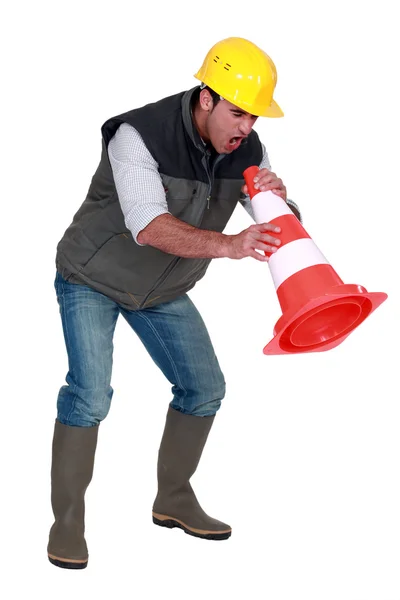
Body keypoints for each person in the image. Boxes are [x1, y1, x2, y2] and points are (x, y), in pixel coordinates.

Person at [47, 36, 302, 569]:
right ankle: (67, 521)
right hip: (92, 277)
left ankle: (174, 498)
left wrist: (278, 198)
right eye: (238, 112)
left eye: (255, 118)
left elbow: (274, 224)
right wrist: (230, 246)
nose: (246, 128)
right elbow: (148, 225)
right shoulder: (137, 135)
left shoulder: (246, 149)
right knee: (90, 396)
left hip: (161, 291)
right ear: (206, 98)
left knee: (204, 389)